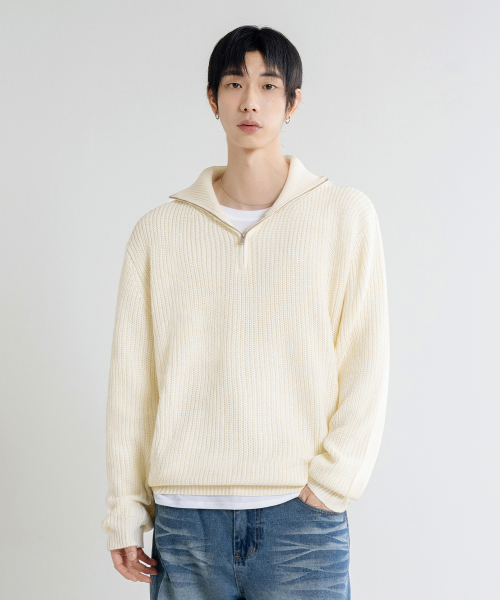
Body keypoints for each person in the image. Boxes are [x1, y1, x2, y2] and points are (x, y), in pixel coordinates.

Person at [101, 25, 390, 600]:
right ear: (213, 99)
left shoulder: (344, 216)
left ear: (293, 102)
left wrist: (333, 484)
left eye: (268, 85)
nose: (250, 101)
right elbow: (134, 383)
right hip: (185, 522)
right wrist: (126, 507)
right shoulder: (158, 232)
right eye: (234, 84)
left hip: (300, 519)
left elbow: (366, 359)